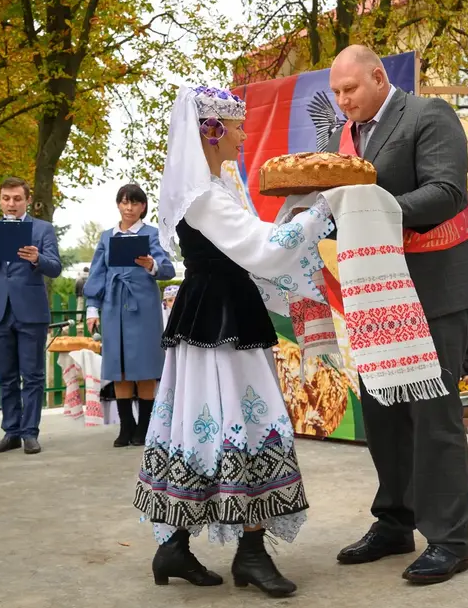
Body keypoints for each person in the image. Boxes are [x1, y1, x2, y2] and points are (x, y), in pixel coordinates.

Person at [131, 85, 334, 597]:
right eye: (237, 125)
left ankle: (178, 545)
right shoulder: (203, 197)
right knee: (246, 420)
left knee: (205, 424)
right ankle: (249, 552)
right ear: (211, 130)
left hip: (212, 317)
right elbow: (263, 252)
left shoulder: (212, 190)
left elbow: (254, 241)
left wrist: (301, 208)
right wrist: (324, 208)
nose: (244, 135)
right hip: (220, 323)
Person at [326, 45, 468, 584]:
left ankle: (449, 538)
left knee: (433, 410)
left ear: (378, 77)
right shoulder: (343, 139)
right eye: (336, 93)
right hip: (375, 290)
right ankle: (395, 521)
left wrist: (374, 214)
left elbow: (446, 192)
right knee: (382, 410)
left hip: (436, 286)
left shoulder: (428, 115)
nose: (343, 100)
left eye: (350, 89)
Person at [0, 176, 62, 455]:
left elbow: (54, 267)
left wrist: (36, 259)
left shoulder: (42, 229)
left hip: (31, 311)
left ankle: (30, 433)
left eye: (17, 198)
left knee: (32, 375)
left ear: (27, 200)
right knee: (5, 376)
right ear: (0, 200)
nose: (11, 204)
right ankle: (12, 432)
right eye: (6, 198)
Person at [84, 184, 176, 447]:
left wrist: (152, 265)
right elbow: (97, 274)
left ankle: (145, 427)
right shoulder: (106, 237)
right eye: (124, 202)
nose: (129, 208)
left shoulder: (152, 234)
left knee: (145, 367)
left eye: (135, 203)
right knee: (118, 366)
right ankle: (126, 427)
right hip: (113, 305)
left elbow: (168, 269)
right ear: (118, 205)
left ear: (143, 207)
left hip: (143, 306)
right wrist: (93, 308)